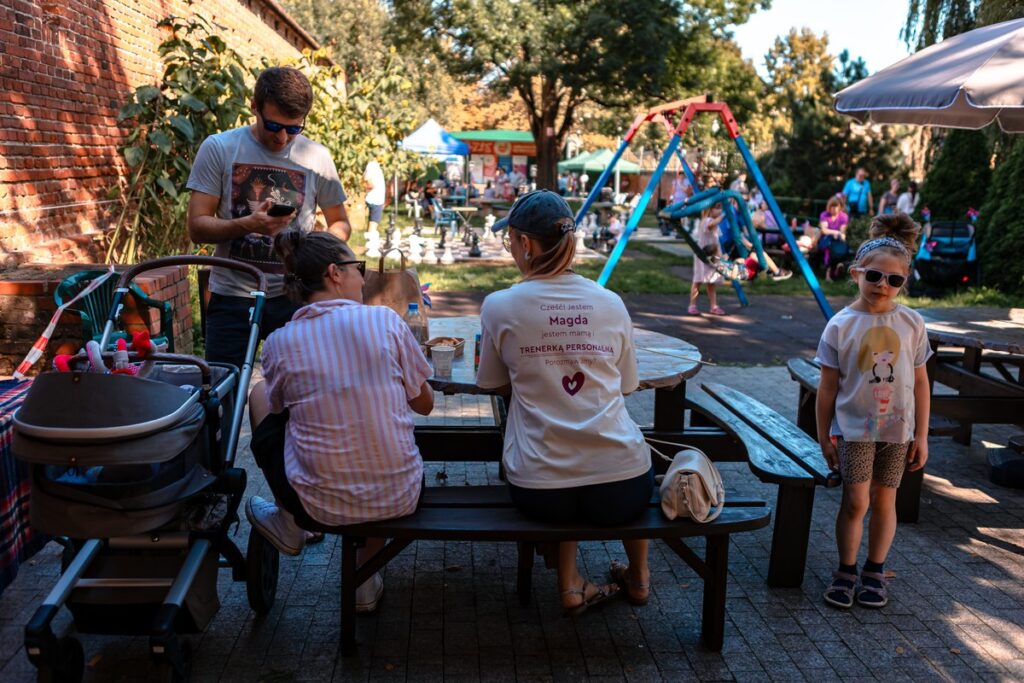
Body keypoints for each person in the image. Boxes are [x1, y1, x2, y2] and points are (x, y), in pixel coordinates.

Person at [477, 190, 654, 615]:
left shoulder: (500, 306)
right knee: (616, 444)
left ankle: (570, 583)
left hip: (539, 488)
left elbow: (492, 384)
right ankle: (640, 576)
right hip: (623, 486)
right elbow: (628, 386)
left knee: (561, 442)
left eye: (512, 240)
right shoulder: (611, 303)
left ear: (526, 244)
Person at [245, 230, 434, 613]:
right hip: (400, 495)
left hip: (318, 505)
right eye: (357, 268)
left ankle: (288, 520)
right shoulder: (385, 322)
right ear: (335, 273)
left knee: (260, 394)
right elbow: (425, 405)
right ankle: (363, 580)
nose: (363, 278)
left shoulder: (280, 342)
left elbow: (279, 414)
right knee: (376, 452)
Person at [186, 66, 350, 372]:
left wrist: (313, 247)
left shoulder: (317, 157)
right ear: (255, 107)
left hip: (295, 298)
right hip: (231, 298)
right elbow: (197, 226)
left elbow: (340, 223)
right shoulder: (220, 148)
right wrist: (248, 224)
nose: (283, 137)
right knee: (222, 397)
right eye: (273, 125)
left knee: (297, 399)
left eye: (295, 128)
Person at [815, 214, 931, 610]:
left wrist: (923, 435)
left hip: (897, 431)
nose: (884, 286)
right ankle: (846, 570)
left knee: (886, 499)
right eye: (875, 276)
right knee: (855, 502)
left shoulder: (912, 323)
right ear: (855, 273)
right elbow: (827, 387)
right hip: (853, 430)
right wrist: (823, 436)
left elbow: (920, 383)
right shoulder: (840, 326)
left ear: (904, 282)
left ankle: (875, 569)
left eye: (895, 280)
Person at [689, 203, 726, 315]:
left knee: (711, 282)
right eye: (717, 208)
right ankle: (692, 304)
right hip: (703, 256)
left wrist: (721, 256)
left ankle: (713, 306)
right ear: (710, 209)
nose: (719, 211)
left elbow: (716, 242)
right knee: (698, 281)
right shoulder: (706, 220)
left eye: (721, 208)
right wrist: (724, 215)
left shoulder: (714, 224)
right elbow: (711, 225)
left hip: (712, 256)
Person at [819, 196, 850, 281]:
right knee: (829, 249)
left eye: (836, 207)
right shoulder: (824, 215)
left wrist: (840, 235)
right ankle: (828, 273)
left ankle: (837, 268)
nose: (834, 210)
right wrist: (835, 233)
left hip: (838, 240)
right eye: (832, 208)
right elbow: (824, 230)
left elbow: (842, 231)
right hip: (826, 240)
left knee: (842, 247)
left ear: (840, 207)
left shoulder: (844, 216)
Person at [363, 157, 387, 234]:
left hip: (376, 199)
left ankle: (370, 240)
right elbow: (368, 182)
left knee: (372, 222)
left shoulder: (373, 165)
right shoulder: (372, 165)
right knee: (373, 224)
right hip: (375, 199)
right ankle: (370, 243)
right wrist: (366, 190)